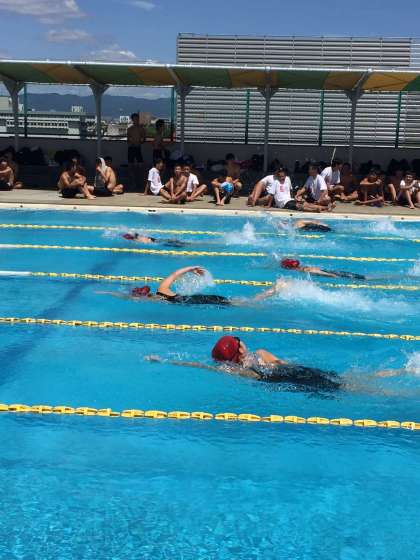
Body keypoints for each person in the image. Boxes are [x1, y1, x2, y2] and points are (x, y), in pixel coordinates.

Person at [148, 336, 342, 393]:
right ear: (240, 348)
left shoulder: (234, 370)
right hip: (297, 372)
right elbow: (287, 364)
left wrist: (167, 360)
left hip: (285, 382)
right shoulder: (261, 353)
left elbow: (199, 365)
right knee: (341, 382)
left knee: (340, 389)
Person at [99, 267, 288, 305]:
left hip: (199, 301)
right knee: (239, 302)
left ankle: (273, 290)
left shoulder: (159, 295)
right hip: (197, 301)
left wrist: (107, 291)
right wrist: (192, 268)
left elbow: (127, 297)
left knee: (242, 304)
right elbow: (174, 274)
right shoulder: (161, 292)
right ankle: (272, 291)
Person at [280, 258, 366, 280]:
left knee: (360, 278)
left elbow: (317, 272)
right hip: (331, 272)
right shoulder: (302, 267)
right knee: (358, 277)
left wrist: (332, 275)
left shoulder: (304, 269)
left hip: (332, 273)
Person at [127, 112, 146, 189]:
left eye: (137, 119)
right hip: (131, 148)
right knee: (130, 166)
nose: (136, 120)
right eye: (135, 119)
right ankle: (133, 183)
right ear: (132, 120)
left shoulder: (141, 129)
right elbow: (128, 140)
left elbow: (144, 139)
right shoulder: (129, 129)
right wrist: (131, 142)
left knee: (140, 166)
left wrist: (139, 142)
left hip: (138, 148)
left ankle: (140, 182)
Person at [122, 232, 189, 248]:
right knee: (172, 241)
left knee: (173, 244)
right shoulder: (138, 236)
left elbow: (147, 242)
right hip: (157, 240)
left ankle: (185, 245)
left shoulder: (137, 240)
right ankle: (185, 243)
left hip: (157, 242)